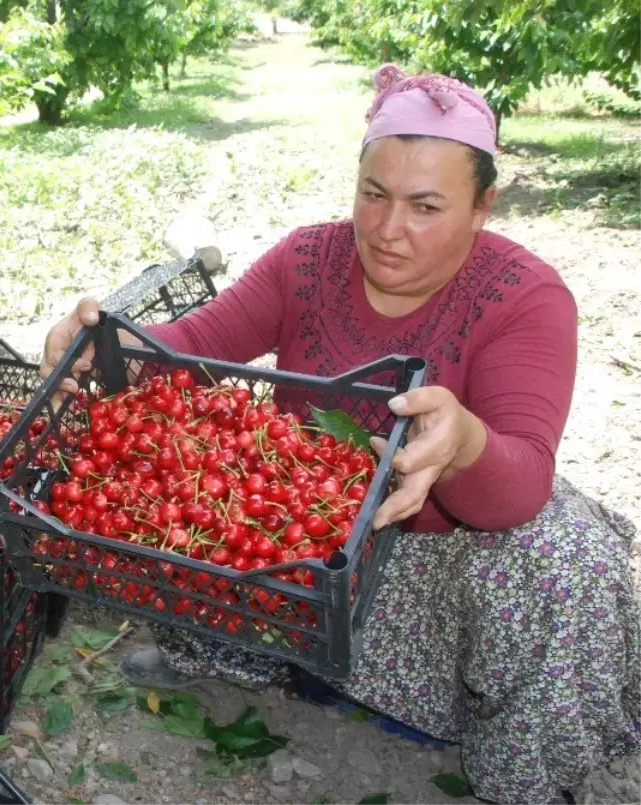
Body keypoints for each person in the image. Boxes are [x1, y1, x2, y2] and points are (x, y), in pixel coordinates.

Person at [40, 64, 641, 805]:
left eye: (426, 207)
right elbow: (190, 351)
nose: (389, 231)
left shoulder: (526, 297)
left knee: (562, 551)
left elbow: (521, 480)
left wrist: (463, 443)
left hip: (435, 560)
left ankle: (519, 769)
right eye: (374, 195)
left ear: (485, 205)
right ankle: (248, 657)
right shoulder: (308, 260)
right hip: (307, 539)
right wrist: (104, 348)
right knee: (182, 472)